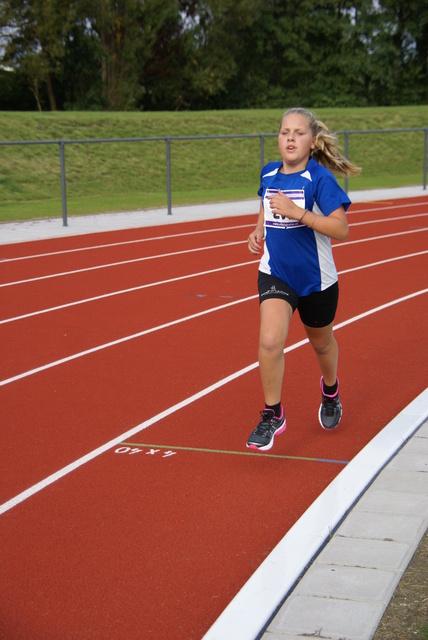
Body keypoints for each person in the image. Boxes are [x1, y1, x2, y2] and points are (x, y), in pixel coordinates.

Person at [246, 107, 361, 452]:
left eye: (298, 133)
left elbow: (341, 229)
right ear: (278, 139)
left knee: (321, 343)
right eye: (285, 132)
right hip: (276, 273)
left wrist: (300, 214)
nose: (290, 138)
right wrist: (257, 229)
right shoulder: (269, 173)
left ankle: (330, 390)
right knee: (269, 342)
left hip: (316, 281)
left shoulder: (320, 178)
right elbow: (266, 205)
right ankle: (273, 413)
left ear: (312, 142)